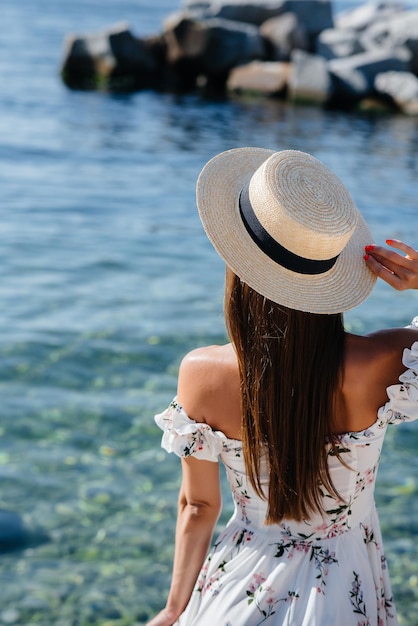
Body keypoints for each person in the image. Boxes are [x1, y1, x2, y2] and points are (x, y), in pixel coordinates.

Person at [147, 148, 418, 626]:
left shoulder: (200, 373)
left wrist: (175, 607)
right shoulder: (384, 363)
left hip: (237, 589)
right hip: (347, 589)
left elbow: (197, 506)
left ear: (238, 263)